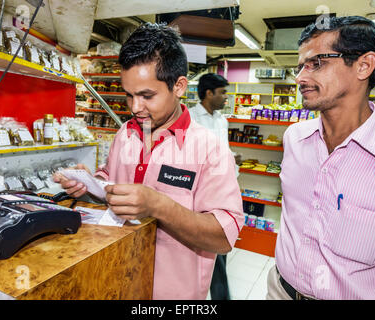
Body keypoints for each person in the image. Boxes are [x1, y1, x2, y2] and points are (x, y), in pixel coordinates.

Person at [53, 23, 244, 300]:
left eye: (147, 96)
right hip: (114, 279)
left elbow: (224, 238)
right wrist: (90, 184)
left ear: (179, 86)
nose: (134, 108)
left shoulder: (209, 150)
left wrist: (158, 205)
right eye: (129, 95)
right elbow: (111, 179)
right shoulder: (125, 134)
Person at [267, 16, 375, 300]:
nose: (300, 78)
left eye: (317, 63)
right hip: (281, 291)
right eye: (300, 66)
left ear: (364, 65)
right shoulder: (295, 139)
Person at [189, 73, 241, 300]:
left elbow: (222, 151)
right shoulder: (190, 118)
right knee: (213, 252)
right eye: (222, 93)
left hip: (221, 192)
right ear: (209, 93)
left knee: (219, 251)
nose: (225, 98)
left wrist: (231, 159)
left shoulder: (222, 120)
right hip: (198, 196)